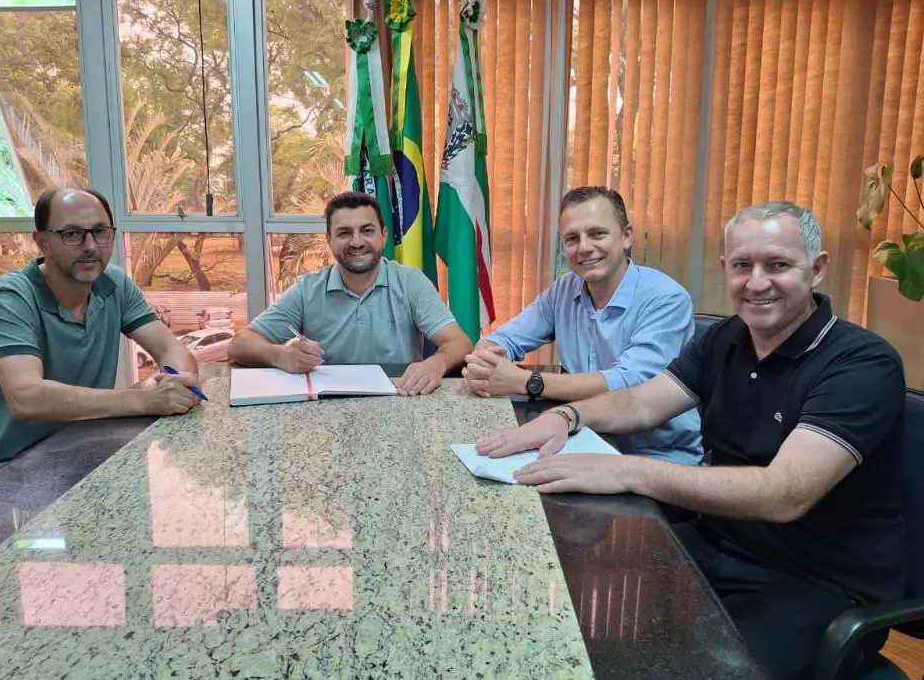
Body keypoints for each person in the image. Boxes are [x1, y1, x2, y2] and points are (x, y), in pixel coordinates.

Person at [480, 201, 906, 680]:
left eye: (778, 265)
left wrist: (628, 471)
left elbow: (786, 493)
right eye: (742, 265)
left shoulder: (860, 363)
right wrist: (567, 416)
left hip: (817, 584)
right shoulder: (725, 338)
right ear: (725, 269)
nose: (757, 282)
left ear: (818, 268)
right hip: (717, 544)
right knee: (570, 609)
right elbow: (642, 403)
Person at [0, 188, 202, 473]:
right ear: (42, 242)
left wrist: (180, 384)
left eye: (100, 232)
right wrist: (146, 400)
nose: (90, 246)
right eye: (72, 234)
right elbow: (26, 397)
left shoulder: (114, 284)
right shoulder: (9, 297)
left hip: (83, 453)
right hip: (5, 470)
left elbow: (170, 348)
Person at [464, 186, 701, 463]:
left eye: (597, 233)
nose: (584, 247)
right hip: (580, 439)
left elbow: (629, 386)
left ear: (626, 236)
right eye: (572, 238)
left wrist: (527, 382)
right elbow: (504, 339)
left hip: (654, 455)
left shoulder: (666, 299)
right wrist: (485, 363)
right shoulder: (563, 290)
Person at [228, 191, 472, 396]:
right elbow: (239, 344)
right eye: (344, 233)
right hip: (327, 411)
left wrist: (436, 364)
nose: (357, 242)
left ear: (383, 235)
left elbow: (460, 343)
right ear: (329, 239)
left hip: (400, 399)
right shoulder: (307, 289)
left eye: (367, 231)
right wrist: (280, 355)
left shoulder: (411, 282)